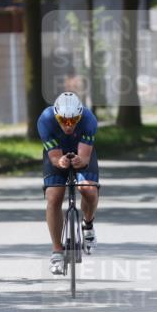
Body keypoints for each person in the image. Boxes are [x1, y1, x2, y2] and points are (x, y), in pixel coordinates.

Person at [38, 92, 99, 275]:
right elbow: (55, 158)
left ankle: (88, 225)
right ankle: (57, 251)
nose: (68, 125)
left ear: (80, 116)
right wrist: (60, 162)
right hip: (57, 154)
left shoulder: (89, 119)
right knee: (54, 197)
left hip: (82, 153)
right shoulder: (46, 120)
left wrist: (80, 161)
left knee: (87, 189)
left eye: (73, 120)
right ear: (57, 116)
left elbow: (85, 157)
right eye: (64, 120)